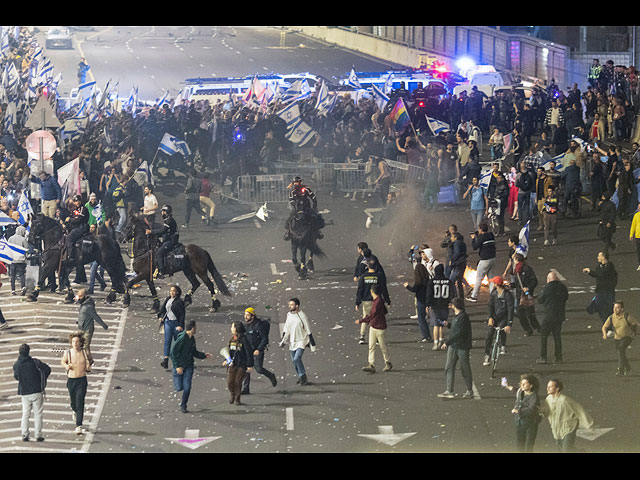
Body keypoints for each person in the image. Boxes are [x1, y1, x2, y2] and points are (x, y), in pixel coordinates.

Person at [540, 379, 594, 453]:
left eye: (550, 386)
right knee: (561, 449)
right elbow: (548, 413)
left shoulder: (564, 400)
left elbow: (579, 410)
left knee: (566, 450)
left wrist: (589, 424)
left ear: (557, 388)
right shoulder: (548, 399)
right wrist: (542, 411)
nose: (547, 388)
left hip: (569, 428)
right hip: (556, 429)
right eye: (547, 386)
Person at [170, 320, 212, 413]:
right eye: (195, 328)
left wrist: (204, 355)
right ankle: (179, 385)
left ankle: (183, 404)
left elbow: (194, 352)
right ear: (192, 328)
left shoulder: (192, 339)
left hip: (189, 365)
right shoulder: (182, 339)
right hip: (180, 365)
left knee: (187, 387)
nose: (196, 329)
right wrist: (177, 366)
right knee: (179, 387)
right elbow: (173, 353)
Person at [13, 344, 51, 442]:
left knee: (25, 413)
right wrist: (41, 378)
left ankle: (24, 434)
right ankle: (38, 435)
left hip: (24, 392)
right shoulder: (35, 362)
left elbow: (16, 377)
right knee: (38, 414)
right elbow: (47, 369)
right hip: (37, 391)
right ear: (28, 351)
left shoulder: (17, 364)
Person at [437, 297, 474, 399]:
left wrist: (447, 343)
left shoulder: (463, 317)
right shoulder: (458, 316)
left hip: (461, 347)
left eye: (452, 304)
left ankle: (469, 390)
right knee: (449, 366)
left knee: (464, 368)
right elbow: (455, 327)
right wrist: (448, 324)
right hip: (454, 346)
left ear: (455, 306)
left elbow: (459, 333)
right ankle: (449, 390)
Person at [241, 307, 277, 395]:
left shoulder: (258, 325)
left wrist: (259, 349)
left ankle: (271, 375)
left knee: (259, 369)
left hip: (257, 350)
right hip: (248, 350)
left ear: (252, 316)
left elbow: (264, 339)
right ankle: (246, 388)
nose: (246, 317)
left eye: (248, 315)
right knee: (247, 369)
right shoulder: (245, 326)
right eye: (245, 315)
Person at [356, 285, 392, 373]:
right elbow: (384, 311)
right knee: (373, 346)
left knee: (380, 346)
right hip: (377, 326)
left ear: (372, 292)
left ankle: (386, 362)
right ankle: (372, 364)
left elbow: (372, 315)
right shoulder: (380, 301)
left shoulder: (377, 302)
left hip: (377, 326)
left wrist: (361, 321)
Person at [61, 332, 92, 435]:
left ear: (80, 343)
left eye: (77, 341)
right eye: (73, 341)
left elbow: (90, 361)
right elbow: (63, 361)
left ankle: (79, 425)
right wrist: (66, 366)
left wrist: (88, 367)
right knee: (73, 402)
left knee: (80, 402)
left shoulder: (84, 352)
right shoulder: (68, 352)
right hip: (71, 380)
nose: (75, 343)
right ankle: (74, 411)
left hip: (82, 380)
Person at [502, 374, 542, 453]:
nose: (522, 385)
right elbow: (514, 390)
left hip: (530, 424)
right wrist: (507, 385)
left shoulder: (534, 397)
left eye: (524, 384)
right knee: (519, 445)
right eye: (521, 383)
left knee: (528, 447)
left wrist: (519, 411)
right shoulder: (520, 391)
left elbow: (532, 409)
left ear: (531, 385)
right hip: (519, 423)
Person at [279, 298, 314, 386]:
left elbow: (308, 329)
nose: (289, 306)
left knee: (297, 358)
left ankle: (303, 376)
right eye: (289, 305)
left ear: (297, 306)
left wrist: (312, 343)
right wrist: (283, 340)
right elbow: (287, 329)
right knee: (294, 361)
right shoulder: (289, 315)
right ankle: (300, 376)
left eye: (291, 305)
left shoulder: (302, 316)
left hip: (301, 341)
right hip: (292, 342)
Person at [355, 258, 390, 345]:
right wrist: (387, 300)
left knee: (366, 317)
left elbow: (360, 290)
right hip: (377, 300)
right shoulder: (379, 276)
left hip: (366, 300)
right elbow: (384, 289)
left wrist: (357, 302)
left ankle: (362, 336)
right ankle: (376, 339)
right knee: (376, 318)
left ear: (367, 266)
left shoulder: (363, 276)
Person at [536, 271, 569, 364]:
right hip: (560, 315)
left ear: (549, 279)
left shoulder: (546, 288)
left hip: (549, 316)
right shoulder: (563, 287)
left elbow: (540, 300)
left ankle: (543, 357)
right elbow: (566, 297)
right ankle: (558, 357)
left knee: (544, 335)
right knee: (557, 336)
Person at [483, 276, 514, 366]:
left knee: (502, 329)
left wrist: (509, 324)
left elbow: (510, 310)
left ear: (497, 284)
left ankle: (502, 345)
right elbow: (490, 306)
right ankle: (487, 354)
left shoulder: (508, 295)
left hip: (503, 317)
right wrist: (490, 317)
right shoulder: (493, 294)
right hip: (494, 317)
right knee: (489, 334)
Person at [602, 301, 639, 376]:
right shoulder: (611, 317)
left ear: (622, 309)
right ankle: (626, 369)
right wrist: (604, 334)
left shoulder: (627, 316)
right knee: (620, 353)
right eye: (614, 308)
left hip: (628, 336)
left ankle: (621, 369)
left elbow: (638, 323)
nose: (615, 309)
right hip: (617, 338)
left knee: (620, 349)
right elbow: (604, 327)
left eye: (617, 308)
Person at [583, 251, 617, 329]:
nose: (597, 257)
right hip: (600, 291)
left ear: (603, 257)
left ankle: (610, 327)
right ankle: (607, 326)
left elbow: (602, 274)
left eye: (599, 256)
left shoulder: (609, 266)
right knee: (600, 309)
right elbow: (597, 274)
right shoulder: (599, 266)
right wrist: (590, 273)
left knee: (607, 309)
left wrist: (590, 271)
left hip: (608, 291)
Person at [223, 321, 254, 406]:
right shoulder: (232, 339)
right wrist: (226, 359)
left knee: (238, 381)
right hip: (233, 364)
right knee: (230, 381)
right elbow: (230, 351)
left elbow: (248, 352)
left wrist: (250, 365)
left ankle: (237, 398)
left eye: (232, 327)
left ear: (237, 328)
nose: (231, 328)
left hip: (242, 364)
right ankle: (232, 394)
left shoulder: (244, 340)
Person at [75, 288, 109, 365]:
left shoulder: (88, 306)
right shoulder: (83, 304)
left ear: (84, 296)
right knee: (82, 346)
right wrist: (79, 321)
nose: (78, 298)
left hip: (87, 329)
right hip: (81, 327)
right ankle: (89, 360)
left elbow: (95, 316)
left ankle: (88, 363)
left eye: (80, 296)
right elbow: (82, 315)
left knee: (85, 347)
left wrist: (103, 325)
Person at [467, 222, 496, 303]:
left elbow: (475, 247)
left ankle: (474, 296)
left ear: (480, 229)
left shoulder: (481, 237)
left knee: (479, 278)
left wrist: (473, 238)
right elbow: (483, 239)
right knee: (491, 278)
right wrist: (478, 235)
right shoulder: (491, 235)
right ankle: (493, 296)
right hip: (493, 258)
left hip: (485, 260)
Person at [425, 263, 453, 350]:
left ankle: (435, 343)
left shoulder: (432, 282)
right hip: (445, 305)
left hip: (435, 306)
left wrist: (427, 304)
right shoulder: (448, 281)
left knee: (435, 325)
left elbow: (429, 294)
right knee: (442, 323)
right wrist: (451, 302)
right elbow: (452, 293)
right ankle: (441, 340)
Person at [158, 285, 186, 370]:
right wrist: (161, 316)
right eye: (170, 291)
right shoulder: (168, 299)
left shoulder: (179, 302)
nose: (172, 293)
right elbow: (163, 310)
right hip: (168, 322)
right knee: (167, 341)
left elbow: (182, 315)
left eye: (173, 291)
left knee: (178, 343)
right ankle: (165, 360)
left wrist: (180, 325)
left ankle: (180, 362)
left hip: (176, 323)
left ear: (177, 292)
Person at [513, 253, 540, 336]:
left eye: (514, 259)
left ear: (517, 260)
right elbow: (517, 283)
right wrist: (510, 285)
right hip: (519, 295)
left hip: (527, 294)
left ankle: (538, 327)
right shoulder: (517, 270)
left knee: (530, 314)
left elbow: (534, 281)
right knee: (520, 314)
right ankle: (528, 329)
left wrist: (528, 288)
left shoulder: (527, 269)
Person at [149, 204, 179, 278]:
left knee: (159, 252)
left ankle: (162, 271)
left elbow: (163, 231)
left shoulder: (169, 220)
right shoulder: (167, 219)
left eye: (163, 211)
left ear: (166, 212)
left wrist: (151, 232)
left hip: (170, 241)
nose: (162, 213)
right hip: (167, 239)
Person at [404, 263, 430, 343]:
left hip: (421, 301)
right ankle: (429, 335)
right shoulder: (428, 280)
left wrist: (407, 286)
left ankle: (426, 336)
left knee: (421, 319)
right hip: (427, 301)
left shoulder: (418, 282)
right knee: (426, 318)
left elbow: (414, 289)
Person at [62, 194, 90, 262]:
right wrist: (65, 224)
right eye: (75, 201)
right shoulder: (75, 210)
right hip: (75, 227)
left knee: (69, 237)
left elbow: (79, 220)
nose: (77, 202)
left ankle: (71, 256)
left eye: (78, 201)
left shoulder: (83, 209)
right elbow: (72, 220)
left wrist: (70, 220)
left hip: (82, 227)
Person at [8, 225, 28, 295]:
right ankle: (23, 287)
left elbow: (8, 249)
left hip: (12, 260)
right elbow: (26, 249)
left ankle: (13, 290)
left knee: (12, 275)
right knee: (21, 274)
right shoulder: (23, 239)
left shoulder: (10, 238)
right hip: (21, 260)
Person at [631, 203, 640, 271]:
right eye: (638, 206)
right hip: (638, 236)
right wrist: (631, 234)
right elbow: (633, 225)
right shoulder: (636, 215)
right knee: (639, 251)